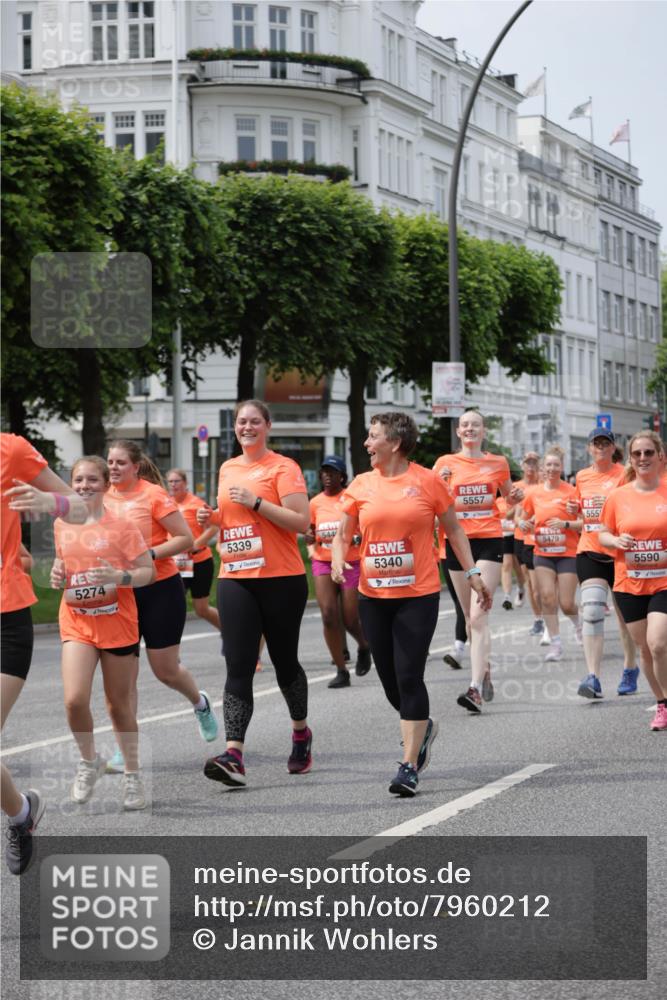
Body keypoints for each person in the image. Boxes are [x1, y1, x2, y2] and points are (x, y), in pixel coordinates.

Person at [332, 412, 491, 797]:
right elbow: (342, 533)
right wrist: (338, 558)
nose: (367, 444)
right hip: (374, 596)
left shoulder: (427, 481)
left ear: (395, 443)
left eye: (373, 437)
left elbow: (453, 529)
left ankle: (408, 766)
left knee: (409, 676)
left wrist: (471, 574)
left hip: (417, 596)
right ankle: (423, 729)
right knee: (389, 683)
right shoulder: (362, 484)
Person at [198, 400, 312, 788]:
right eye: (241, 422)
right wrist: (211, 517)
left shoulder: (284, 468)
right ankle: (234, 754)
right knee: (238, 663)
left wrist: (259, 503)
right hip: (235, 575)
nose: (246, 427)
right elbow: (232, 517)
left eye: (254, 421)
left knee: (284, 663)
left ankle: (300, 732)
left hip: (281, 578)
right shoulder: (228, 467)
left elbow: (301, 522)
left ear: (267, 426)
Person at [104, 440, 218, 773]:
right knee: (124, 679)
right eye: (110, 461)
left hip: (159, 589)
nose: (113, 468)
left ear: (135, 466)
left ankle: (200, 703)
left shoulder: (153, 495)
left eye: (120, 462)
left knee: (164, 670)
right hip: (122, 593)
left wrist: (148, 554)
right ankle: (126, 751)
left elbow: (183, 538)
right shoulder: (103, 500)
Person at [1, 433, 86, 875]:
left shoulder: (11, 450)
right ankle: (20, 813)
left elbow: (86, 508)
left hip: (6, 621)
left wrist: (49, 502)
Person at [49, 457, 155, 809]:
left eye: (92, 479)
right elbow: (64, 561)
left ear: (105, 485)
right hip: (77, 622)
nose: (84, 486)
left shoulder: (122, 527)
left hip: (118, 624)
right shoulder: (62, 523)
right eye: (78, 480)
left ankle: (133, 777)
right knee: (74, 699)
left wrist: (119, 578)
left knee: (118, 706)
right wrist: (57, 570)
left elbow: (147, 572)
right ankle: (88, 760)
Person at [433, 409, 522, 713]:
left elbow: (509, 496)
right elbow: (432, 503)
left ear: (484, 431)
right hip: (456, 543)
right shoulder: (444, 464)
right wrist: (441, 486)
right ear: (458, 432)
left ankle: (473, 690)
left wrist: (517, 496)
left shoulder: (497, 463)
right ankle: (482, 670)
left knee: (479, 614)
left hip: (488, 541)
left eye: (476, 425)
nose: (470, 429)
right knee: (469, 619)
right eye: (465, 425)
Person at [599, 431, 667, 731]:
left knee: (658, 642)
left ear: (660, 456)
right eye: (637, 453)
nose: (643, 458)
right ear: (630, 458)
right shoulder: (619, 496)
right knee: (646, 648)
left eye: (649, 452)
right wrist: (615, 539)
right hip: (629, 584)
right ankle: (662, 704)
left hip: (664, 581)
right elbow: (601, 533)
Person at [568, 431, 639, 699]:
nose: (600, 448)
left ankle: (630, 668)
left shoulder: (624, 474)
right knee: (592, 611)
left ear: (612, 448)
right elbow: (581, 511)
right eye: (596, 444)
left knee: (625, 621)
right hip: (589, 550)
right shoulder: (582, 477)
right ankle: (593, 677)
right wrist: (573, 509)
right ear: (589, 449)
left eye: (605, 443)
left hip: (620, 554)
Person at [305, 455, 371, 689]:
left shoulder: (351, 499)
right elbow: (309, 532)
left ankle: (364, 645)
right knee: (328, 615)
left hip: (350, 560)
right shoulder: (314, 503)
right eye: (324, 472)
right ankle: (341, 669)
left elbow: (365, 529)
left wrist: (355, 537)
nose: (326, 476)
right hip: (323, 561)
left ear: (342, 476)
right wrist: (309, 539)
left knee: (350, 618)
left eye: (332, 472)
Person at [520, 447, 581, 662]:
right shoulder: (534, 492)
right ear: (543, 469)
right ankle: (555, 644)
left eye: (556, 465)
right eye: (549, 465)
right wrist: (523, 524)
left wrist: (566, 523)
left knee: (566, 603)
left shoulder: (571, 491)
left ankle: (577, 624)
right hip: (543, 552)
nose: (552, 468)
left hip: (568, 553)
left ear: (562, 467)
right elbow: (522, 516)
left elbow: (585, 523)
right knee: (546, 597)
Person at [166, 469, 220, 632]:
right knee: (173, 605)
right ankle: (171, 653)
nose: (174, 485)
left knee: (201, 609)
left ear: (185, 483)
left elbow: (213, 527)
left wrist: (196, 544)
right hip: (178, 562)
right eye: (170, 482)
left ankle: (230, 636)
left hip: (200, 561)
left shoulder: (196, 503)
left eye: (177, 481)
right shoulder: (167, 504)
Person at [514, 452, 545, 636]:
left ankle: (546, 616)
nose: (531, 467)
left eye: (534, 463)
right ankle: (538, 619)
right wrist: (520, 521)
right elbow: (512, 511)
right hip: (521, 538)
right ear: (523, 466)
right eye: (528, 463)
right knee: (530, 584)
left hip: (542, 539)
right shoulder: (518, 486)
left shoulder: (543, 486)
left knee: (541, 585)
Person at [497, 494, 518, 610]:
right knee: (506, 565)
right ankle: (507, 597)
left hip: (517, 535)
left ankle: (521, 588)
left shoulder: (515, 500)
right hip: (504, 536)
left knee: (519, 569)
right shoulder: (496, 501)